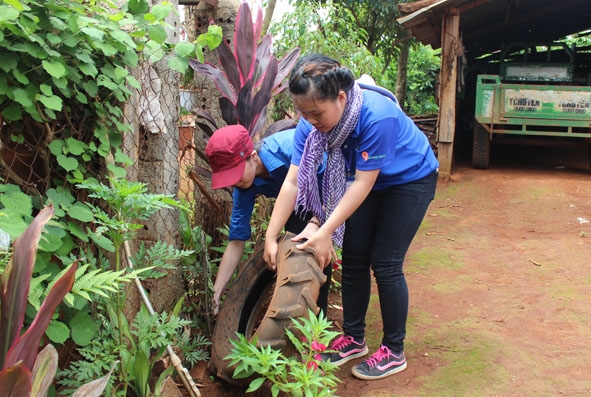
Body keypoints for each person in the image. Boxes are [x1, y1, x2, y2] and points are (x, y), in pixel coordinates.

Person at [263, 54, 439, 380]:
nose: (310, 120)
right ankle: (354, 338)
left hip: (409, 179)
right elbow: (292, 180)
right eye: (303, 113)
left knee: (385, 263)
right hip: (365, 181)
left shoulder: (376, 117)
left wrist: (325, 229)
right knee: (355, 259)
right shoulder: (310, 126)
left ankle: (393, 350)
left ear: (341, 97)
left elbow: (363, 183)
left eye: (316, 112)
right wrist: (271, 234)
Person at [205, 124, 331, 316]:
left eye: (236, 174)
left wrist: (318, 224)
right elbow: (236, 241)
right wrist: (215, 295)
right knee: (299, 245)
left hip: (341, 184)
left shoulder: (291, 150)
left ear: (253, 156)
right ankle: (304, 320)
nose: (235, 183)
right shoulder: (244, 188)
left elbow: (336, 184)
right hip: (301, 202)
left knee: (320, 246)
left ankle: (320, 321)